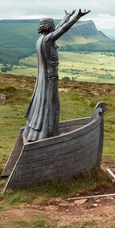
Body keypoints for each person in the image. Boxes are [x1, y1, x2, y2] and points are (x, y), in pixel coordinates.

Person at [23, 9, 90, 142]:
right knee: (51, 105)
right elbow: (62, 30)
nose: (54, 27)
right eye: (52, 25)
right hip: (50, 78)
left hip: (45, 77)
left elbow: (58, 28)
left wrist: (66, 17)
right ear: (49, 27)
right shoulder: (47, 40)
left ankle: (39, 131)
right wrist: (75, 18)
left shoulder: (41, 39)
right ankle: (47, 132)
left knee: (46, 104)